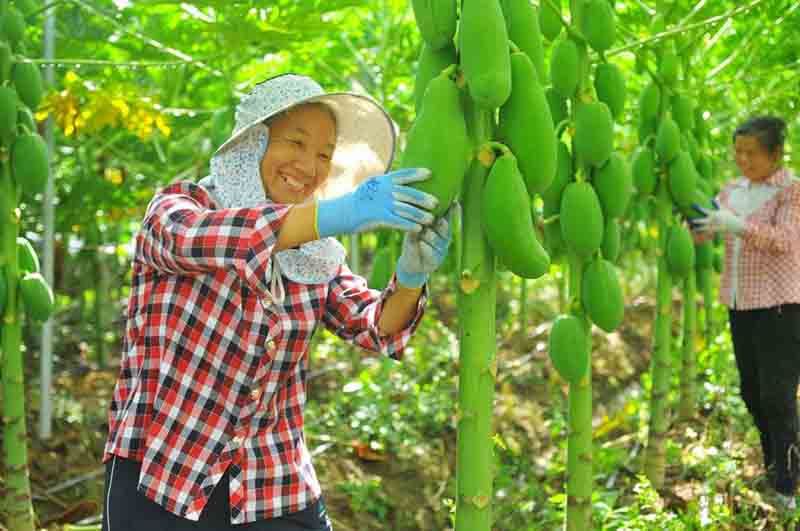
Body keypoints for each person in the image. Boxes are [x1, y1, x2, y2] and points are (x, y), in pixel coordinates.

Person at [101, 73, 452, 530]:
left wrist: (410, 276)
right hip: (164, 471)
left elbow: (375, 326)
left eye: (325, 154)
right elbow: (208, 240)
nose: (310, 165)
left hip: (271, 481)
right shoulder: (179, 208)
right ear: (252, 142)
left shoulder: (316, 256)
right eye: (296, 143)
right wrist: (342, 213)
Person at [692, 116, 800, 509]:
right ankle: (777, 466)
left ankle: (787, 486)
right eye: (738, 151)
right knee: (752, 392)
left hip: (780, 305)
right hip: (740, 303)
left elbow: (786, 241)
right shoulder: (732, 190)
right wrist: (700, 225)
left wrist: (736, 225)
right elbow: (711, 231)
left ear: (774, 154)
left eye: (751, 153)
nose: (742, 159)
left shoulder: (791, 190)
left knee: (778, 396)